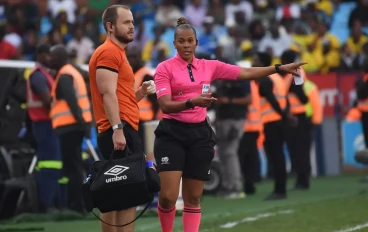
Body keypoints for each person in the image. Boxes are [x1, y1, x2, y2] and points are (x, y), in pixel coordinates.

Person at [153, 17, 306, 232]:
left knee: (194, 197)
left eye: (190, 41)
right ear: (175, 44)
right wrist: (192, 102)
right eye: (181, 41)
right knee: (168, 197)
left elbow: (245, 73)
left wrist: (279, 68)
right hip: (171, 134)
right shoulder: (164, 68)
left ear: (196, 43)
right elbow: (165, 105)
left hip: (199, 134)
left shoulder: (209, 66)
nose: (186, 45)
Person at [88, 5, 156, 232]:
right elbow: (107, 93)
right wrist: (117, 129)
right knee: (125, 194)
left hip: (122, 127)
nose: (132, 26)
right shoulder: (108, 52)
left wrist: (141, 93)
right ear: (110, 26)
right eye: (126, 22)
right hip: (118, 130)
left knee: (119, 195)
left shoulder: (118, 53)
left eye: (132, 22)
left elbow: (120, 99)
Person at [49, 44, 92, 214]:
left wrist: (81, 123)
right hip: (76, 126)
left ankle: (77, 205)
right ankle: (78, 203)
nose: (49, 59)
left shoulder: (65, 75)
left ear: (60, 57)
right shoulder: (72, 72)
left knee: (73, 166)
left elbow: (72, 102)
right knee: (75, 165)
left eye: (52, 56)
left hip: (70, 126)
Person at [26, 43, 62, 213]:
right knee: (49, 163)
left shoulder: (44, 74)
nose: (50, 58)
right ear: (40, 55)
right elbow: (48, 101)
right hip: (44, 124)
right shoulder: (38, 76)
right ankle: (45, 204)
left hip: (48, 124)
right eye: (47, 54)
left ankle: (54, 202)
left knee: (53, 163)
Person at [254, 52, 293, 200]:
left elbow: (272, 100)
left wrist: (284, 115)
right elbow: (284, 98)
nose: (254, 63)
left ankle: (280, 190)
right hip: (279, 121)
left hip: (272, 121)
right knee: (279, 157)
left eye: (256, 60)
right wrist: (286, 115)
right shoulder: (277, 78)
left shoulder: (265, 80)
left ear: (263, 63)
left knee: (276, 158)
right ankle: (280, 189)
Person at [279, 50, 311, 190]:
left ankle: (303, 180)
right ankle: (300, 178)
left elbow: (299, 92)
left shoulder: (296, 71)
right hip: (293, 115)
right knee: (295, 149)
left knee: (299, 149)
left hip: (297, 115)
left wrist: (303, 99)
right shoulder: (289, 74)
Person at [126, 45, 160, 158]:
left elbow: (155, 100)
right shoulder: (130, 74)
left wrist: (154, 118)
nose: (131, 60)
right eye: (129, 57)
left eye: (134, 57)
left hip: (145, 121)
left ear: (140, 58)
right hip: (133, 120)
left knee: (144, 152)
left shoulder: (146, 75)